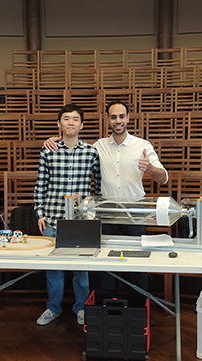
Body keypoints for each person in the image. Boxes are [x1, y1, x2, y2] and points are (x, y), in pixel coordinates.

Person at [44, 101, 168, 294]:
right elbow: (73, 145)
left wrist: (150, 169)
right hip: (107, 212)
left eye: (121, 116)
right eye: (113, 117)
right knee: (105, 267)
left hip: (135, 214)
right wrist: (54, 139)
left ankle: (137, 309)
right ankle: (105, 311)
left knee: (137, 265)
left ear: (128, 118)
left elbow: (163, 178)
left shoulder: (142, 146)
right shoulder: (98, 147)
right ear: (107, 120)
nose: (117, 121)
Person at [34, 104, 101, 326]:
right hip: (53, 217)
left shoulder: (91, 152)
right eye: (66, 118)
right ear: (59, 124)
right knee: (54, 269)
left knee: (81, 270)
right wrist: (39, 212)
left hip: (81, 221)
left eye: (75, 119)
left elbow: (98, 187)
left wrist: (95, 214)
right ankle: (53, 308)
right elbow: (40, 184)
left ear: (82, 125)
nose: (70, 122)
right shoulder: (48, 150)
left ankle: (81, 308)